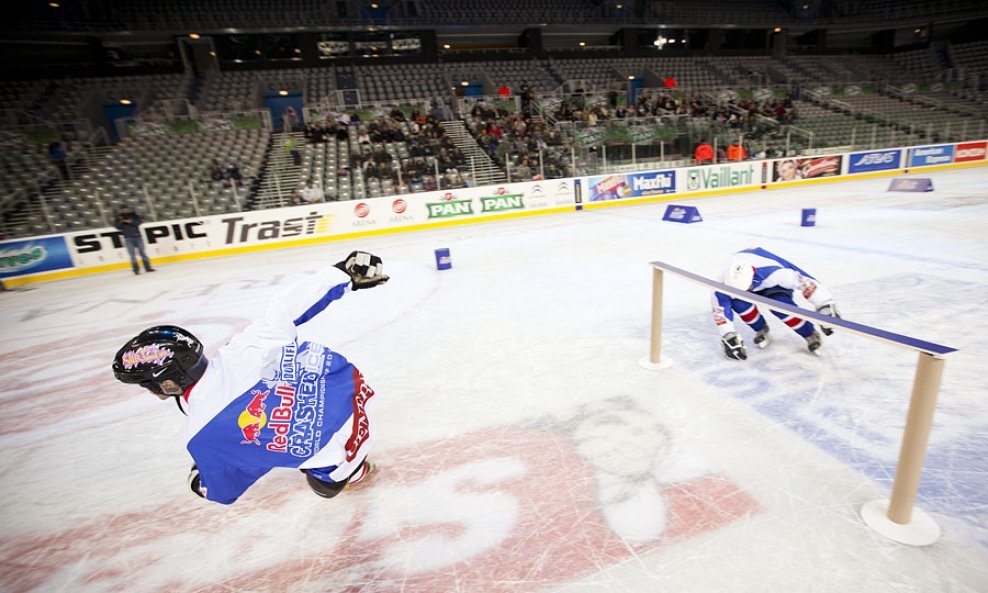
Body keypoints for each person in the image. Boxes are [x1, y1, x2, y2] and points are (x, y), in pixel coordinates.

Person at [111, 251, 390, 504]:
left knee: (323, 486)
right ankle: (350, 464)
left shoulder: (200, 435)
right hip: (354, 397)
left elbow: (220, 490)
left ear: (167, 383)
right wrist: (343, 272)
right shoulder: (247, 344)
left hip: (336, 453)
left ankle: (352, 471)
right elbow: (286, 307)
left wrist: (199, 476)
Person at [712, 247, 841, 360]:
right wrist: (728, 335)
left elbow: (805, 282)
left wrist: (824, 304)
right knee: (740, 304)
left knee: (781, 306)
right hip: (743, 280)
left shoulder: (774, 272)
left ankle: (810, 334)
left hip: (771, 283)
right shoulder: (722, 283)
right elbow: (720, 309)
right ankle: (761, 329)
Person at [114, 204, 154, 275]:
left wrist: (131, 221)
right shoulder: (118, 217)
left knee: (142, 253)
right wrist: (122, 222)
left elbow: (139, 222)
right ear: (121, 210)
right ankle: (136, 270)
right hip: (128, 238)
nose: (125, 210)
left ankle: (148, 267)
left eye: (126, 209)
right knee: (132, 255)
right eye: (123, 209)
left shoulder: (133, 215)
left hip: (137, 237)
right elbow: (117, 227)